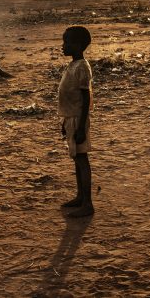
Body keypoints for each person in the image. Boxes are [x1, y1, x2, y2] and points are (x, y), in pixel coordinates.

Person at [57, 26, 94, 217]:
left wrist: (80, 127)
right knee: (77, 159)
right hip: (71, 118)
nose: (63, 46)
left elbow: (86, 99)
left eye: (67, 42)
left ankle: (87, 203)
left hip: (78, 119)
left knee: (82, 159)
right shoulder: (73, 65)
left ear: (78, 45)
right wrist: (66, 122)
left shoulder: (81, 67)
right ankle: (81, 196)